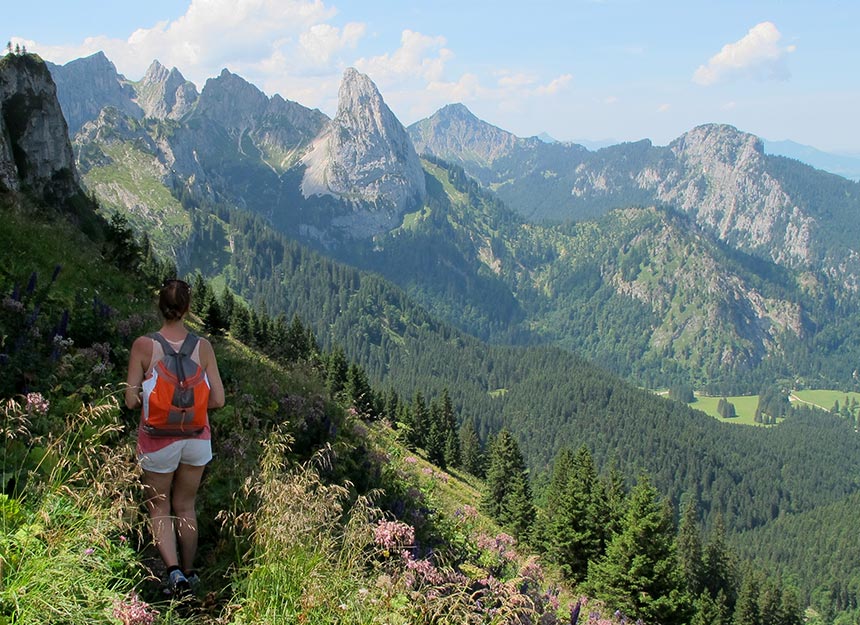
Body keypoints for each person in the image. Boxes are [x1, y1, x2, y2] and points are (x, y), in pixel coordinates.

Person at [125, 278, 225, 594]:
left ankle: (173, 574)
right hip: (196, 438)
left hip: (157, 440)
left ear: (160, 306)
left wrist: (155, 399)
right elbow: (219, 400)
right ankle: (190, 570)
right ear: (187, 309)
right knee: (186, 504)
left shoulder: (144, 345)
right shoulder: (203, 346)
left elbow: (130, 400)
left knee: (159, 506)